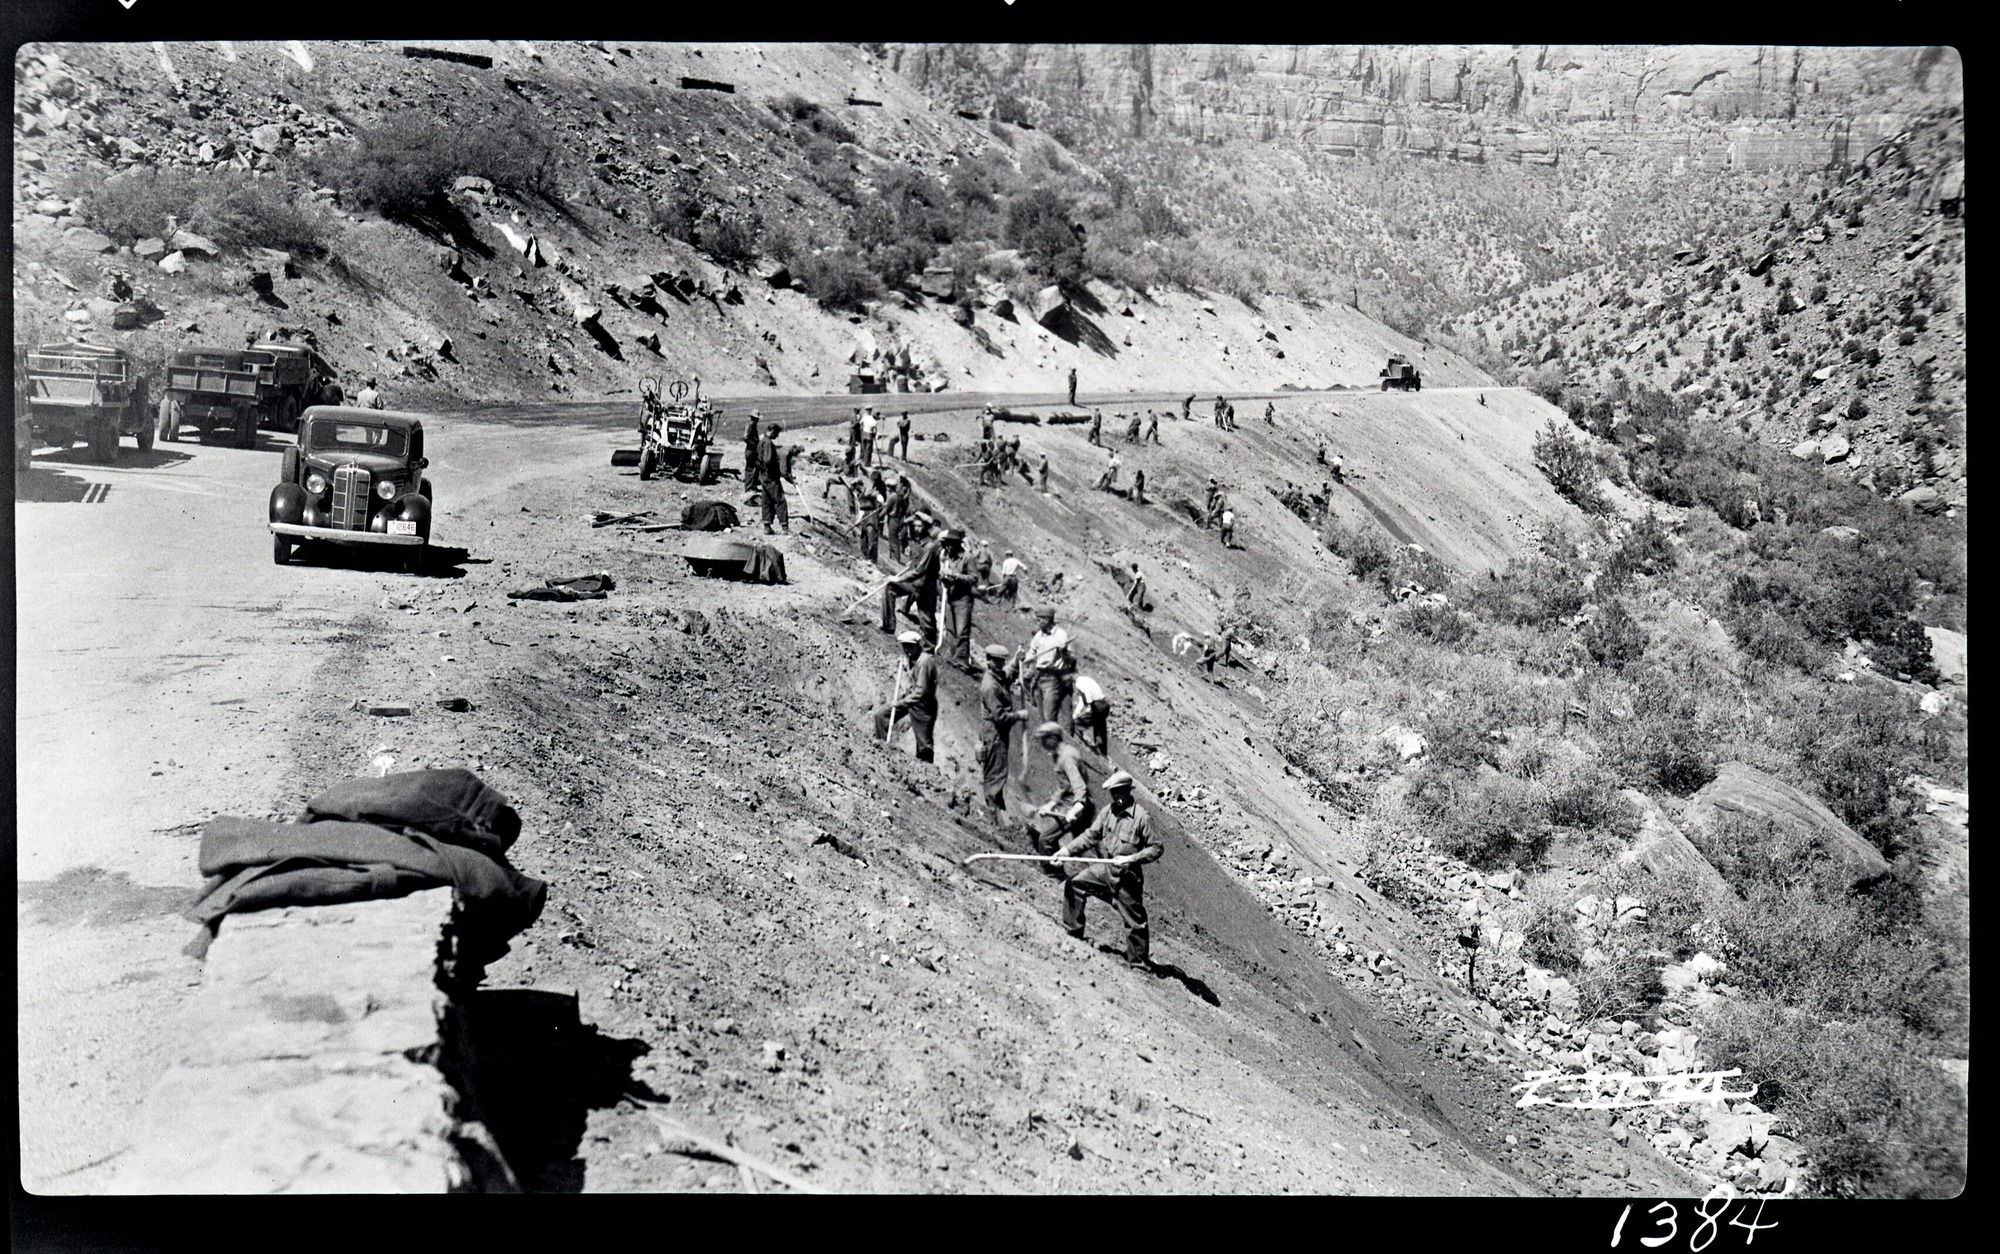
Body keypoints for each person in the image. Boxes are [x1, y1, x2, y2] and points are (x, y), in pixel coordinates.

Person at [1055, 770, 1163, 968]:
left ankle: (1138, 963)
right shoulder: (1107, 812)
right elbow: (1091, 836)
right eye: (1113, 793)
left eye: (1119, 792)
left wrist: (1131, 858)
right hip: (1105, 869)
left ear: (1129, 791)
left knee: (1135, 921)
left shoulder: (1142, 818)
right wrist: (1067, 850)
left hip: (1127, 877)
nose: (1116, 797)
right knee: (1075, 884)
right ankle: (1072, 932)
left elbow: (1156, 848)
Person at [978, 645, 1030, 822]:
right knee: (995, 773)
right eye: (997, 661)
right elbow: (999, 717)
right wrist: (1018, 715)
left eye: (1002, 661)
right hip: (994, 732)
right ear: (988, 661)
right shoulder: (990, 686)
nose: (1000, 664)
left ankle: (997, 808)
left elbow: (1007, 674)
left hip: (999, 732)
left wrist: (1016, 660)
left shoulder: (997, 676)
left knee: (999, 770)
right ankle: (993, 816)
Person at [1028, 721, 1094, 858]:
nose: (1042, 743)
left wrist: (1076, 808)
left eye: (1044, 739)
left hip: (1074, 806)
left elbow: (1079, 785)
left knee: (1046, 840)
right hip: (1074, 804)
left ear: (1053, 738)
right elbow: (1064, 786)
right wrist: (1051, 804)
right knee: (1083, 845)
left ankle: (1054, 875)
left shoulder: (1067, 757)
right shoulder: (1061, 754)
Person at [873, 630, 939, 763]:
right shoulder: (912, 658)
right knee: (881, 716)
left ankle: (926, 772)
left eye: (910, 646)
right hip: (909, 699)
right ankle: (882, 751)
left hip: (922, 705)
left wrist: (900, 703)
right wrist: (905, 666)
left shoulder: (924, 661)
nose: (907, 649)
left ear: (918, 645)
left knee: (924, 745)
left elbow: (921, 692)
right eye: (904, 646)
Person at [880, 514, 942, 636]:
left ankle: (933, 647)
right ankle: (889, 626)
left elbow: (920, 571)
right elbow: (915, 563)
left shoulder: (930, 547)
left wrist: (899, 578)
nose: (917, 529)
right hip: (914, 583)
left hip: (925, 589)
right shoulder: (919, 543)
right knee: (889, 588)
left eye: (920, 526)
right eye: (915, 526)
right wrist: (912, 562)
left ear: (926, 528)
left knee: (927, 623)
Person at [1022, 607, 1076, 729]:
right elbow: (1032, 652)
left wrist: (1063, 651)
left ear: (1047, 620)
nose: (1037, 622)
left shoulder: (1061, 635)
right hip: (1039, 675)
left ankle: (1053, 741)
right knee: (1040, 712)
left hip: (1053, 677)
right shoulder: (1038, 636)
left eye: (1039, 619)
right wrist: (1024, 658)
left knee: (1049, 715)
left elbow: (1071, 659)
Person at [939, 529, 978, 672]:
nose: (947, 548)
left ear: (957, 545)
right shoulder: (947, 556)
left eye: (950, 545)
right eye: (946, 545)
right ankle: (952, 656)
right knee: (950, 628)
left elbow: (974, 579)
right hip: (950, 595)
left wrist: (956, 575)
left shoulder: (968, 558)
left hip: (963, 599)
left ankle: (962, 661)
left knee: (962, 631)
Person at [758, 422, 793, 534]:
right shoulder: (768, 443)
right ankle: (785, 527)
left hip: (763, 477)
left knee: (766, 501)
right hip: (771, 477)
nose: (777, 436)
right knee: (780, 500)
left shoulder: (762, 441)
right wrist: (773, 469)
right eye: (776, 433)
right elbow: (768, 460)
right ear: (772, 431)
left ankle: (767, 527)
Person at [1071, 673, 1110, 756]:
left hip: (1097, 705)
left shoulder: (1079, 683)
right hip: (1104, 705)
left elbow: (1086, 692)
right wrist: (1075, 714)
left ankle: (1076, 737)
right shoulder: (1086, 680)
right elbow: (1082, 702)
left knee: (1077, 723)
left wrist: (1089, 705)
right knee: (1100, 728)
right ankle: (1102, 752)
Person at [743, 411, 763, 490]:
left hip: (753, 451)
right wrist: (755, 445)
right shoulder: (750, 425)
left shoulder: (753, 425)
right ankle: (749, 488)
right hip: (751, 451)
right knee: (750, 470)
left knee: (754, 468)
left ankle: (752, 487)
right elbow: (745, 438)